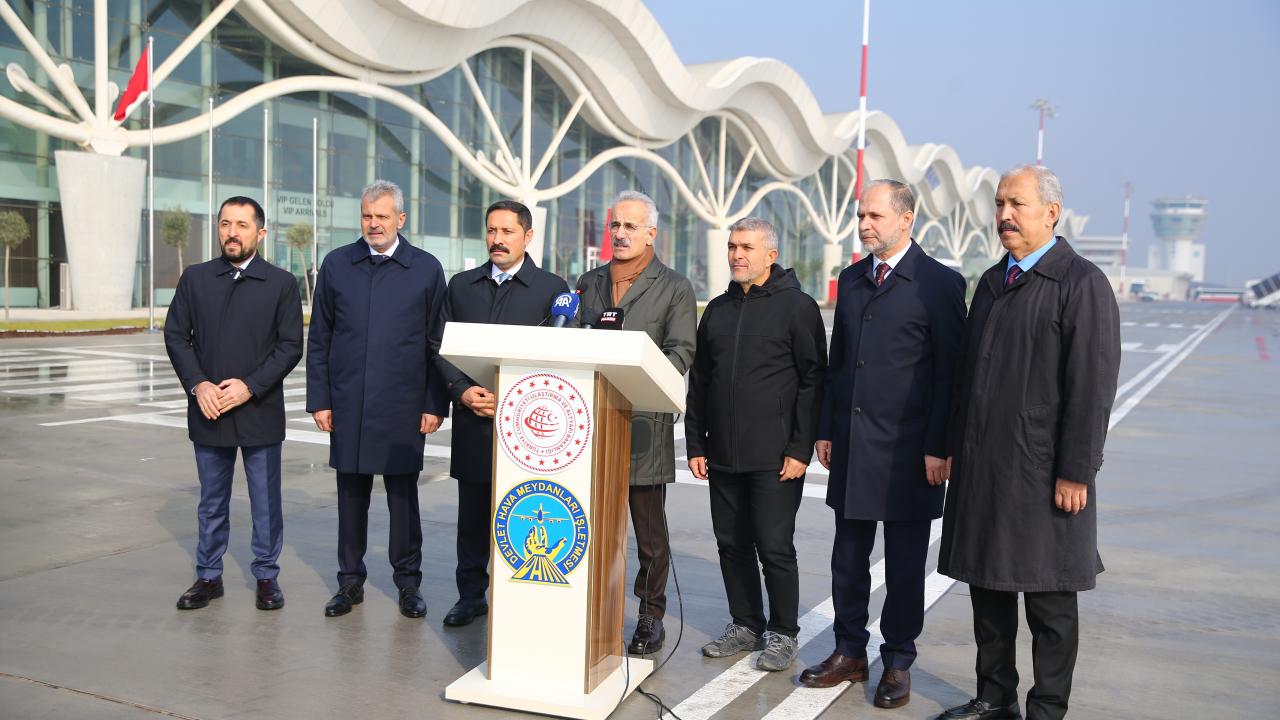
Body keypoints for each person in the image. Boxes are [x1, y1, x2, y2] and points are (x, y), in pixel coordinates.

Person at [937, 165, 1120, 720]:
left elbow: (1091, 386)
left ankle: (1047, 708)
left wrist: (1076, 471)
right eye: (999, 205)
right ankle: (995, 698)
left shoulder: (1080, 283)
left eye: (1016, 204)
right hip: (983, 468)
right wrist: (950, 446)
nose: (1004, 216)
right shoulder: (994, 282)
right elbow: (965, 378)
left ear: (1051, 213)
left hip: (1043, 474)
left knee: (1049, 601)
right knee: (987, 591)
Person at [802, 180, 966, 708]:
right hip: (852, 443)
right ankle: (849, 652)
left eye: (875, 215)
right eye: (861, 215)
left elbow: (950, 375)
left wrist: (940, 445)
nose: (865, 224)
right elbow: (839, 362)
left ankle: (897, 661)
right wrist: (826, 428)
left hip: (910, 452)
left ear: (906, 218)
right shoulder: (852, 280)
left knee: (902, 566)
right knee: (847, 559)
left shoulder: (938, 284)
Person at [685, 217, 826, 672]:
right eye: (731, 246)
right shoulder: (718, 311)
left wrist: (799, 449)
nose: (736, 255)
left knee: (774, 546)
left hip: (775, 456)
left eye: (746, 247)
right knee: (731, 544)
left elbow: (812, 381)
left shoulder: (797, 307)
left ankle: (783, 633)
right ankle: (745, 624)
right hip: (723, 453)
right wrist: (695, 443)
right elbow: (701, 381)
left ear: (771, 254)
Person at [306, 180, 449, 620]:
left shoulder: (425, 269)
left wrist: (434, 403)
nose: (373, 223)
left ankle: (408, 585)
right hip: (349, 403)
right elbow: (321, 338)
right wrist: (320, 400)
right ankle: (350, 583)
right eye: (367, 215)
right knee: (350, 496)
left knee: (403, 498)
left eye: (382, 216)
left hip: (404, 407)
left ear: (400, 220)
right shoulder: (337, 265)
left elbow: (437, 342)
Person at [433, 199, 569, 627]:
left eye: (507, 232)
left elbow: (557, 359)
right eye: (492, 231)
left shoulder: (552, 290)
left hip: (526, 431)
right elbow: (440, 344)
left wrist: (513, 397)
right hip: (473, 420)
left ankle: (521, 601)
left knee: (523, 516)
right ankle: (470, 596)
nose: (497, 239)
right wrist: (462, 390)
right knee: (471, 519)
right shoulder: (461, 286)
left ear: (528, 237)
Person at [164, 196, 303, 611]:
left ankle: (266, 577)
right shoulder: (196, 278)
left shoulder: (280, 283)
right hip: (209, 410)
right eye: (226, 223)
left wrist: (250, 386)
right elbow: (176, 335)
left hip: (258, 409)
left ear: (260, 233)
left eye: (242, 225)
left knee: (265, 500)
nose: (232, 232)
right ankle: (208, 576)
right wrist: (198, 385)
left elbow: (290, 345)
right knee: (211, 500)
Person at [574, 190, 697, 655]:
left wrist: (636, 374)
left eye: (630, 226)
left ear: (651, 233)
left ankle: (650, 615)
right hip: (591, 423)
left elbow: (682, 350)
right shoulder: (589, 283)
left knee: (648, 532)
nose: (620, 234)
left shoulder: (674, 287)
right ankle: (593, 607)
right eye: (615, 226)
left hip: (643, 424)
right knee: (593, 524)